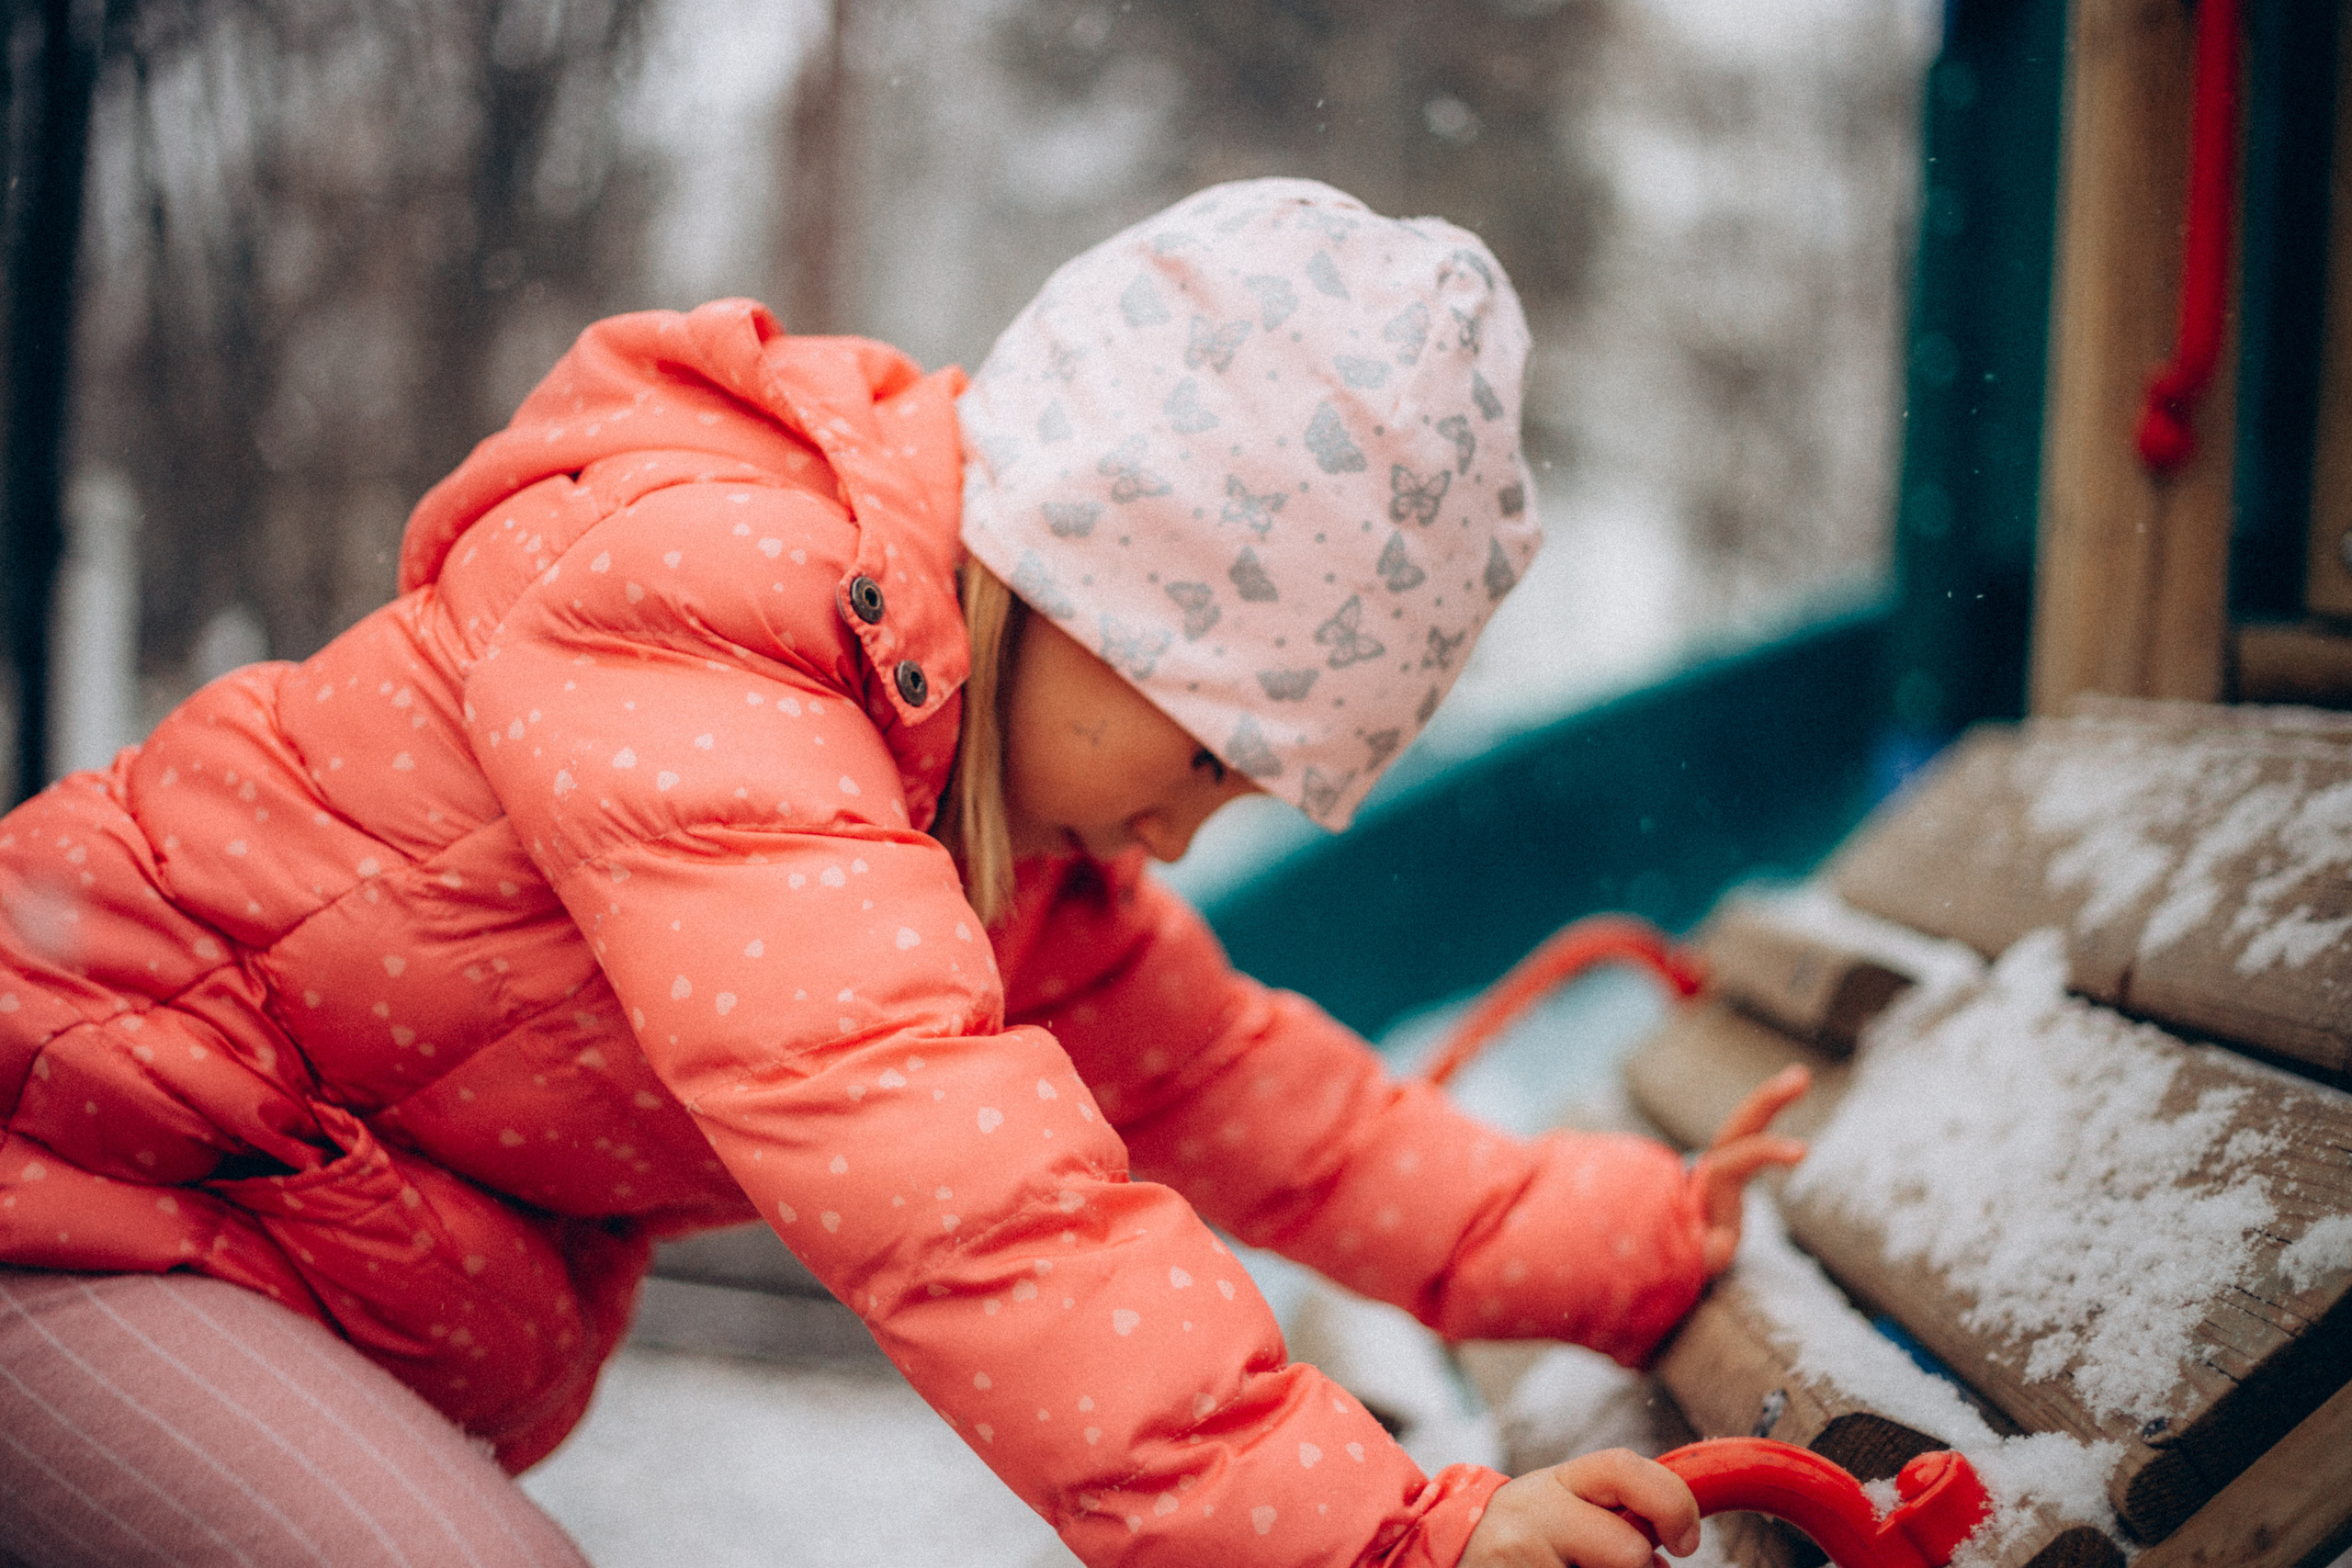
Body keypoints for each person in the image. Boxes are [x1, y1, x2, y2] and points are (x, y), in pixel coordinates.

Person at [0, 177, 1805, 1568]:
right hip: (59, 1190)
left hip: (222, 1235)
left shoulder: (986, 826)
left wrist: (1631, 1245)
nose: (1184, 830)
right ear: (1084, 580)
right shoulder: (702, 626)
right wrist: (1360, 1524)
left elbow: (1269, 1102)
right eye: (1199, 754)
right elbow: (943, 1170)